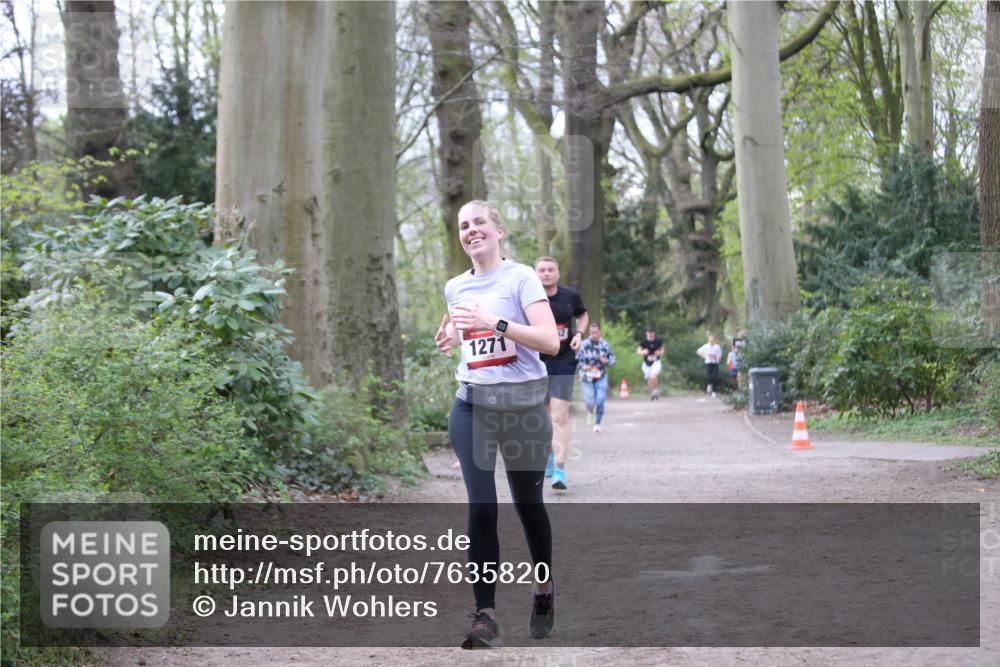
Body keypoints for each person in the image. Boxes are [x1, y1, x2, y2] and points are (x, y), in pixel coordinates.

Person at [434, 200, 559, 649]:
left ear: (498, 230)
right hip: (473, 407)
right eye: (463, 225)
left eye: (479, 222)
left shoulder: (521, 277)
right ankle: (484, 615)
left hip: (524, 410)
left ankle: (543, 590)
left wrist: (497, 323)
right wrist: (450, 337)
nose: (471, 230)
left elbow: (550, 341)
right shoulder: (454, 286)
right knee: (482, 506)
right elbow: (462, 335)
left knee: (529, 508)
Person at [534, 256, 588, 491]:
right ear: (536, 274)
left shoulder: (570, 295)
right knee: (543, 417)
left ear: (557, 273)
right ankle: (547, 456)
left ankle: (560, 469)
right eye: (542, 270)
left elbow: (582, 315)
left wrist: (579, 334)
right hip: (536, 362)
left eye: (550, 269)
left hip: (564, 361)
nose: (546, 273)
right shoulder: (530, 297)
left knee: (560, 417)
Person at [576, 322, 616, 432]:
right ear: (589, 333)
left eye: (596, 332)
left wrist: (606, 361)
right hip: (586, 378)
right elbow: (576, 361)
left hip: (601, 377)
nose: (594, 334)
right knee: (590, 402)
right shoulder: (583, 345)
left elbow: (613, 361)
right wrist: (584, 366)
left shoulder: (605, 345)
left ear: (600, 332)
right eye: (592, 332)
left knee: (600, 401)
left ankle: (597, 423)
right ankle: (590, 411)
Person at [635, 326, 664, 400]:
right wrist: (643, 352)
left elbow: (663, 350)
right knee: (649, 378)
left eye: (652, 333)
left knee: (653, 375)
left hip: (656, 362)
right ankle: (652, 393)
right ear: (646, 333)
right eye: (649, 333)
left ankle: (655, 391)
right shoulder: (643, 342)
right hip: (646, 363)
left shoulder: (658, 341)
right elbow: (638, 351)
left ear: (654, 333)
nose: (650, 334)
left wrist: (659, 353)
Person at [696, 333, 723, 397]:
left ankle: (714, 391)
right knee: (709, 376)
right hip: (708, 363)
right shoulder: (706, 346)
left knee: (714, 377)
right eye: (710, 339)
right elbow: (698, 351)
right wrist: (705, 356)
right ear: (708, 340)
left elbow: (720, 354)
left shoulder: (717, 346)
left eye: (712, 339)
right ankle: (709, 385)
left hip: (715, 363)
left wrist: (717, 358)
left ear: (714, 340)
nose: (711, 340)